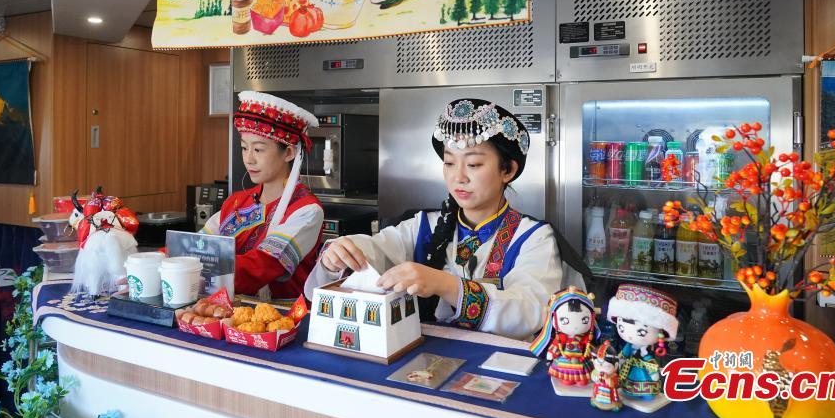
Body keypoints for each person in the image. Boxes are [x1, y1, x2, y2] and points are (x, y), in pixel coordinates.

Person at [305, 98, 584, 340]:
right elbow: (376, 248)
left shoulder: (532, 237)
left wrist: (445, 284)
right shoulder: (424, 225)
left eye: (473, 164)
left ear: (508, 170)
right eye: (449, 163)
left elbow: (531, 310)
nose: (458, 176)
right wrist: (340, 255)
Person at [203, 92, 324, 300]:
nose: (248, 159)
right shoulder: (235, 202)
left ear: (289, 153)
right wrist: (166, 257)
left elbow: (262, 265)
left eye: (258, 149)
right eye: (244, 148)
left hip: (283, 316)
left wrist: (194, 264)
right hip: (228, 310)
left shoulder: (307, 210)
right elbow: (198, 245)